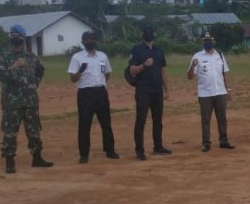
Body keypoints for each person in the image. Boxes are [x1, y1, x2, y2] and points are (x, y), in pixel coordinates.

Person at [0, 24, 53, 173]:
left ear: (24, 38)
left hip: (30, 100)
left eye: (18, 35)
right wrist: (13, 67)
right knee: (10, 132)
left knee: (34, 130)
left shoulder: (31, 57)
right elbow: (0, 75)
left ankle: (37, 157)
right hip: (12, 101)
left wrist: (34, 84)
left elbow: (40, 70)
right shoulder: (4, 56)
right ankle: (9, 161)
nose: (15, 38)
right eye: (12, 35)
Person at [68, 31, 119, 163]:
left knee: (106, 122)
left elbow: (107, 73)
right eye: (87, 39)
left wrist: (101, 84)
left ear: (95, 41)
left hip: (101, 92)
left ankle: (110, 150)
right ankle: (84, 155)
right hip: (85, 93)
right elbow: (73, 79)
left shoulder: (102, 56)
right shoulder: (77, 57)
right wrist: (80, 71)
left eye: (92, 39)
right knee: (85, 124)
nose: (90, 41)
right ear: (83, 42)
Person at [127, 25, 172, 160]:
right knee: (140, 120)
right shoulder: (137, 50)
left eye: (150, 32)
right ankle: (139, 150)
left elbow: (163, 71)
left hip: (157, 90)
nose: (148, 35)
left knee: (158, 120)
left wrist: (167, 90)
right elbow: (132, 70)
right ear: (142, 35)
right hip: (143, 89)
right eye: (146, 33)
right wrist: (144, 65)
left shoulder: (159, 50)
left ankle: (158, 147)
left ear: (154, 35)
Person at [187, 32, 235, 152]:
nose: (208, 42)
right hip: (205, 94)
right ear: (202, 42)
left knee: (222, 119)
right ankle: (206, 143)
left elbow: (224, 73)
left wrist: (227, 89)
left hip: (220, 92)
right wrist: (192, 67)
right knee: (205, 120)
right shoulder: (197, 56)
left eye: (210, 40)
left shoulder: (220, 55)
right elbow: (190, 76)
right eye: (205, 40)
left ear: (214, 41)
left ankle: (224, 141)